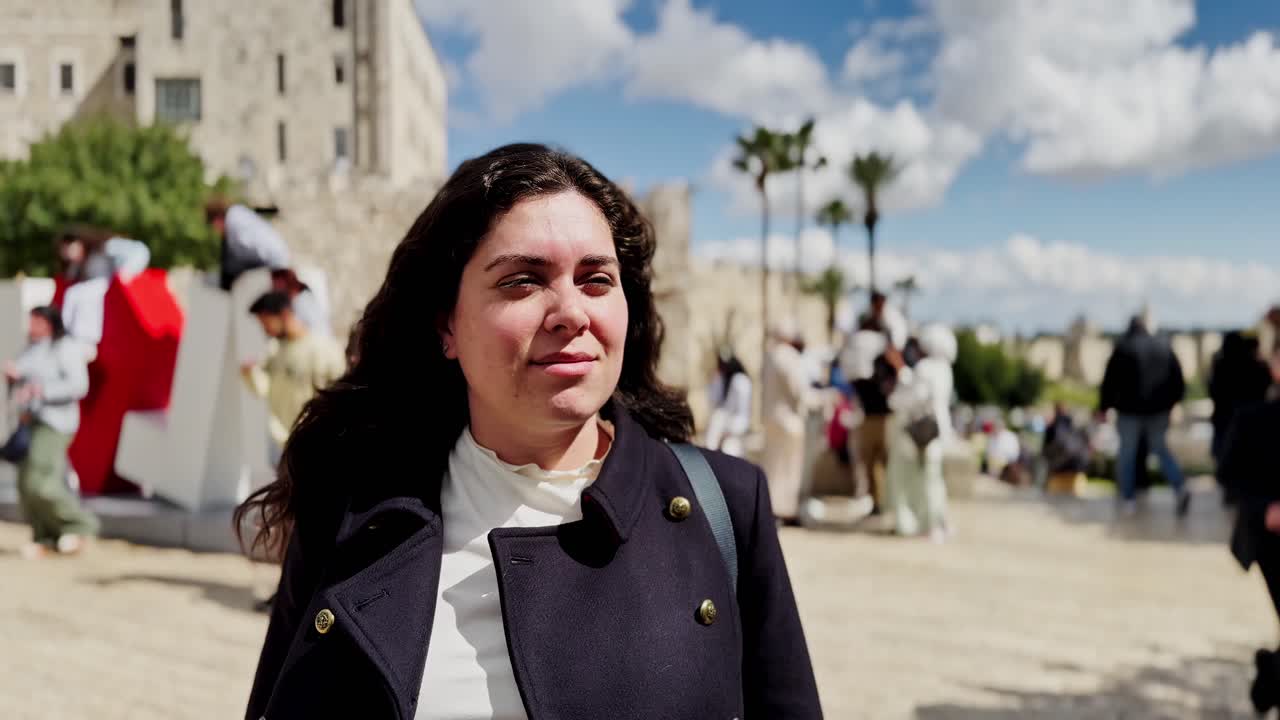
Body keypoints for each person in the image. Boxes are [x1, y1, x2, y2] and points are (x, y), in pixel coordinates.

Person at [235, 144, 821, 719]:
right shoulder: (350, 511)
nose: (571, 311)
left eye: (596, 279)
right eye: (522, 281)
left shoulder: (726, 507)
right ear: (447, 325)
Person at [5, 306, 98, 558]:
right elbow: (23, 376)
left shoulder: (65, 347)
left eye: (35, 321)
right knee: (25, 483)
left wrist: (41, 390)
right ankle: (43, 536)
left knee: (40, 480)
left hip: (56, 423)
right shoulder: (32, 348)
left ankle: (79, 525)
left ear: (48, 322)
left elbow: (79, 385)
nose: (31, 326)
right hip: (30, 422)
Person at [1219, 395, 1280, 714]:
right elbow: (1229, 474)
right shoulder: (1253, 417)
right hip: (1270, 540)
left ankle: (1270, 674)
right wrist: (1266, 507)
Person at [1099, 312, 1189, 517]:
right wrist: (1173, 402)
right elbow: (1178, 379)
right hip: (1159, 411)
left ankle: (1128, 499)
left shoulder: (1123, 347)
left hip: (1129, 411)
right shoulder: (1163, 345)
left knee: (1127, 454)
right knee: (1161, 450)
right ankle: (1179, 488)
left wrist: (1104, 407)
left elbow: (1109, 381)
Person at [240, 291, 347, 461]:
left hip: (321, 445)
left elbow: (343, 397)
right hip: (287, 446)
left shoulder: (326, 349)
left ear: (285, 314)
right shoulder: (274, 352)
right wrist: (250, 374)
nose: (265, 329)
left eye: (266, 322)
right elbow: (262, 390)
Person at [884, 325, 956, 541]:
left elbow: (913, 397)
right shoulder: (945, 369)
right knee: (933, 480)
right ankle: (937, 523)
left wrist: (895, 393)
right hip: (936, 432)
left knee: (913, 481)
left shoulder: (925, 368)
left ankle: (922, 525)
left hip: (918, 433)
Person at [54, 225, 151, 352]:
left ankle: (80, 337)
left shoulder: (104, 246)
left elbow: (140, 250)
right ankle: (71, 335)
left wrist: (125, 273)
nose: (68, 254)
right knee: (76, 294)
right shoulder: (79, 264)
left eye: (70, 248)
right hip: (96, 290)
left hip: (108, 286)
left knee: (75, 294)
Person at [760, 318, 814, 526]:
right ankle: (786, 510)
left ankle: (772, 509)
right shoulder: (788, 356)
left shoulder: (768, 355)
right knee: (789, 468)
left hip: (771, 419)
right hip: (790, 421)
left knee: (773, 465)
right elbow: (798, 390)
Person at [1208, 331, 1272, 492]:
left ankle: (1231, 488)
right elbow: (1264, 385)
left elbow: (1213, 390)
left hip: (1225, 417)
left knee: (1225, 453)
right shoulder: (1253, 363)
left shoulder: (1220, 365)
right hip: (1249, 417)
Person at [841, 321, 893, 511]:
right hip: (875, 418)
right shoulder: (874, 371)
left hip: (876, 419)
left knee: (876, 462)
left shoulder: (877, 369)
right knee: (874, 462)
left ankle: (880, 501)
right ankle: (878, 501)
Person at [206, 198, 290, 291]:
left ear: (217, 220)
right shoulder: (238, 211)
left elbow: (248, 251)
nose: (217, 231)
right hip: (280, 251)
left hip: (274, 262)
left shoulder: (233, 226)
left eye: (215, 226)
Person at [703, 350, 751, 458]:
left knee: (729, 451)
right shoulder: (722, 379)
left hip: (734, 430)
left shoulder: (740, 381)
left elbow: (742, 416)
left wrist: (727, 431)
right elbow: (714, 400)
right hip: (721, 426)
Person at [270, 268, 333, 337]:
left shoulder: (301, 301)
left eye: (275, 283)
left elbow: (315, 329)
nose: (274, 288)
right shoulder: (300, 299)